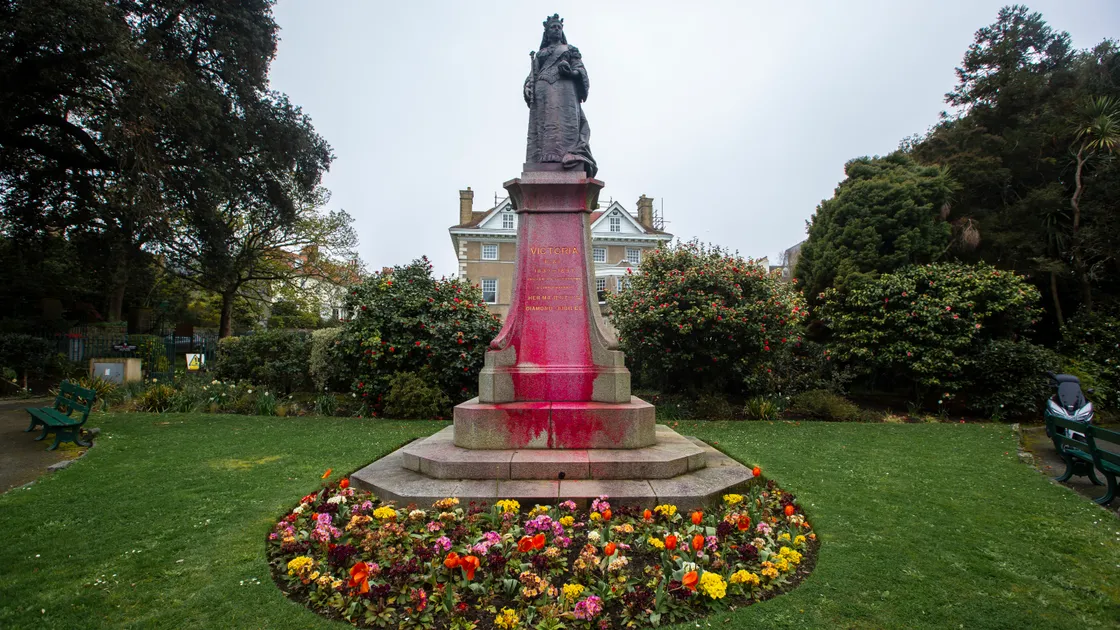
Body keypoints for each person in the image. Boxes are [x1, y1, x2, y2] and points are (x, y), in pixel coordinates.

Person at [523, 14, 597, 177]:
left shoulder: (570, 50)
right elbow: (532, 76)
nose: (556, 30)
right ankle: (543, 158)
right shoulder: (540, 54)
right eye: (553, 27)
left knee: (564, 122)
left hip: (565, 91)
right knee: (544, 123)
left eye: (558, 27)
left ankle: (568, 155)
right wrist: (528, 87)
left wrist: (571, 72)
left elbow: (581, 69)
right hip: (543, 92)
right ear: (547, 32)